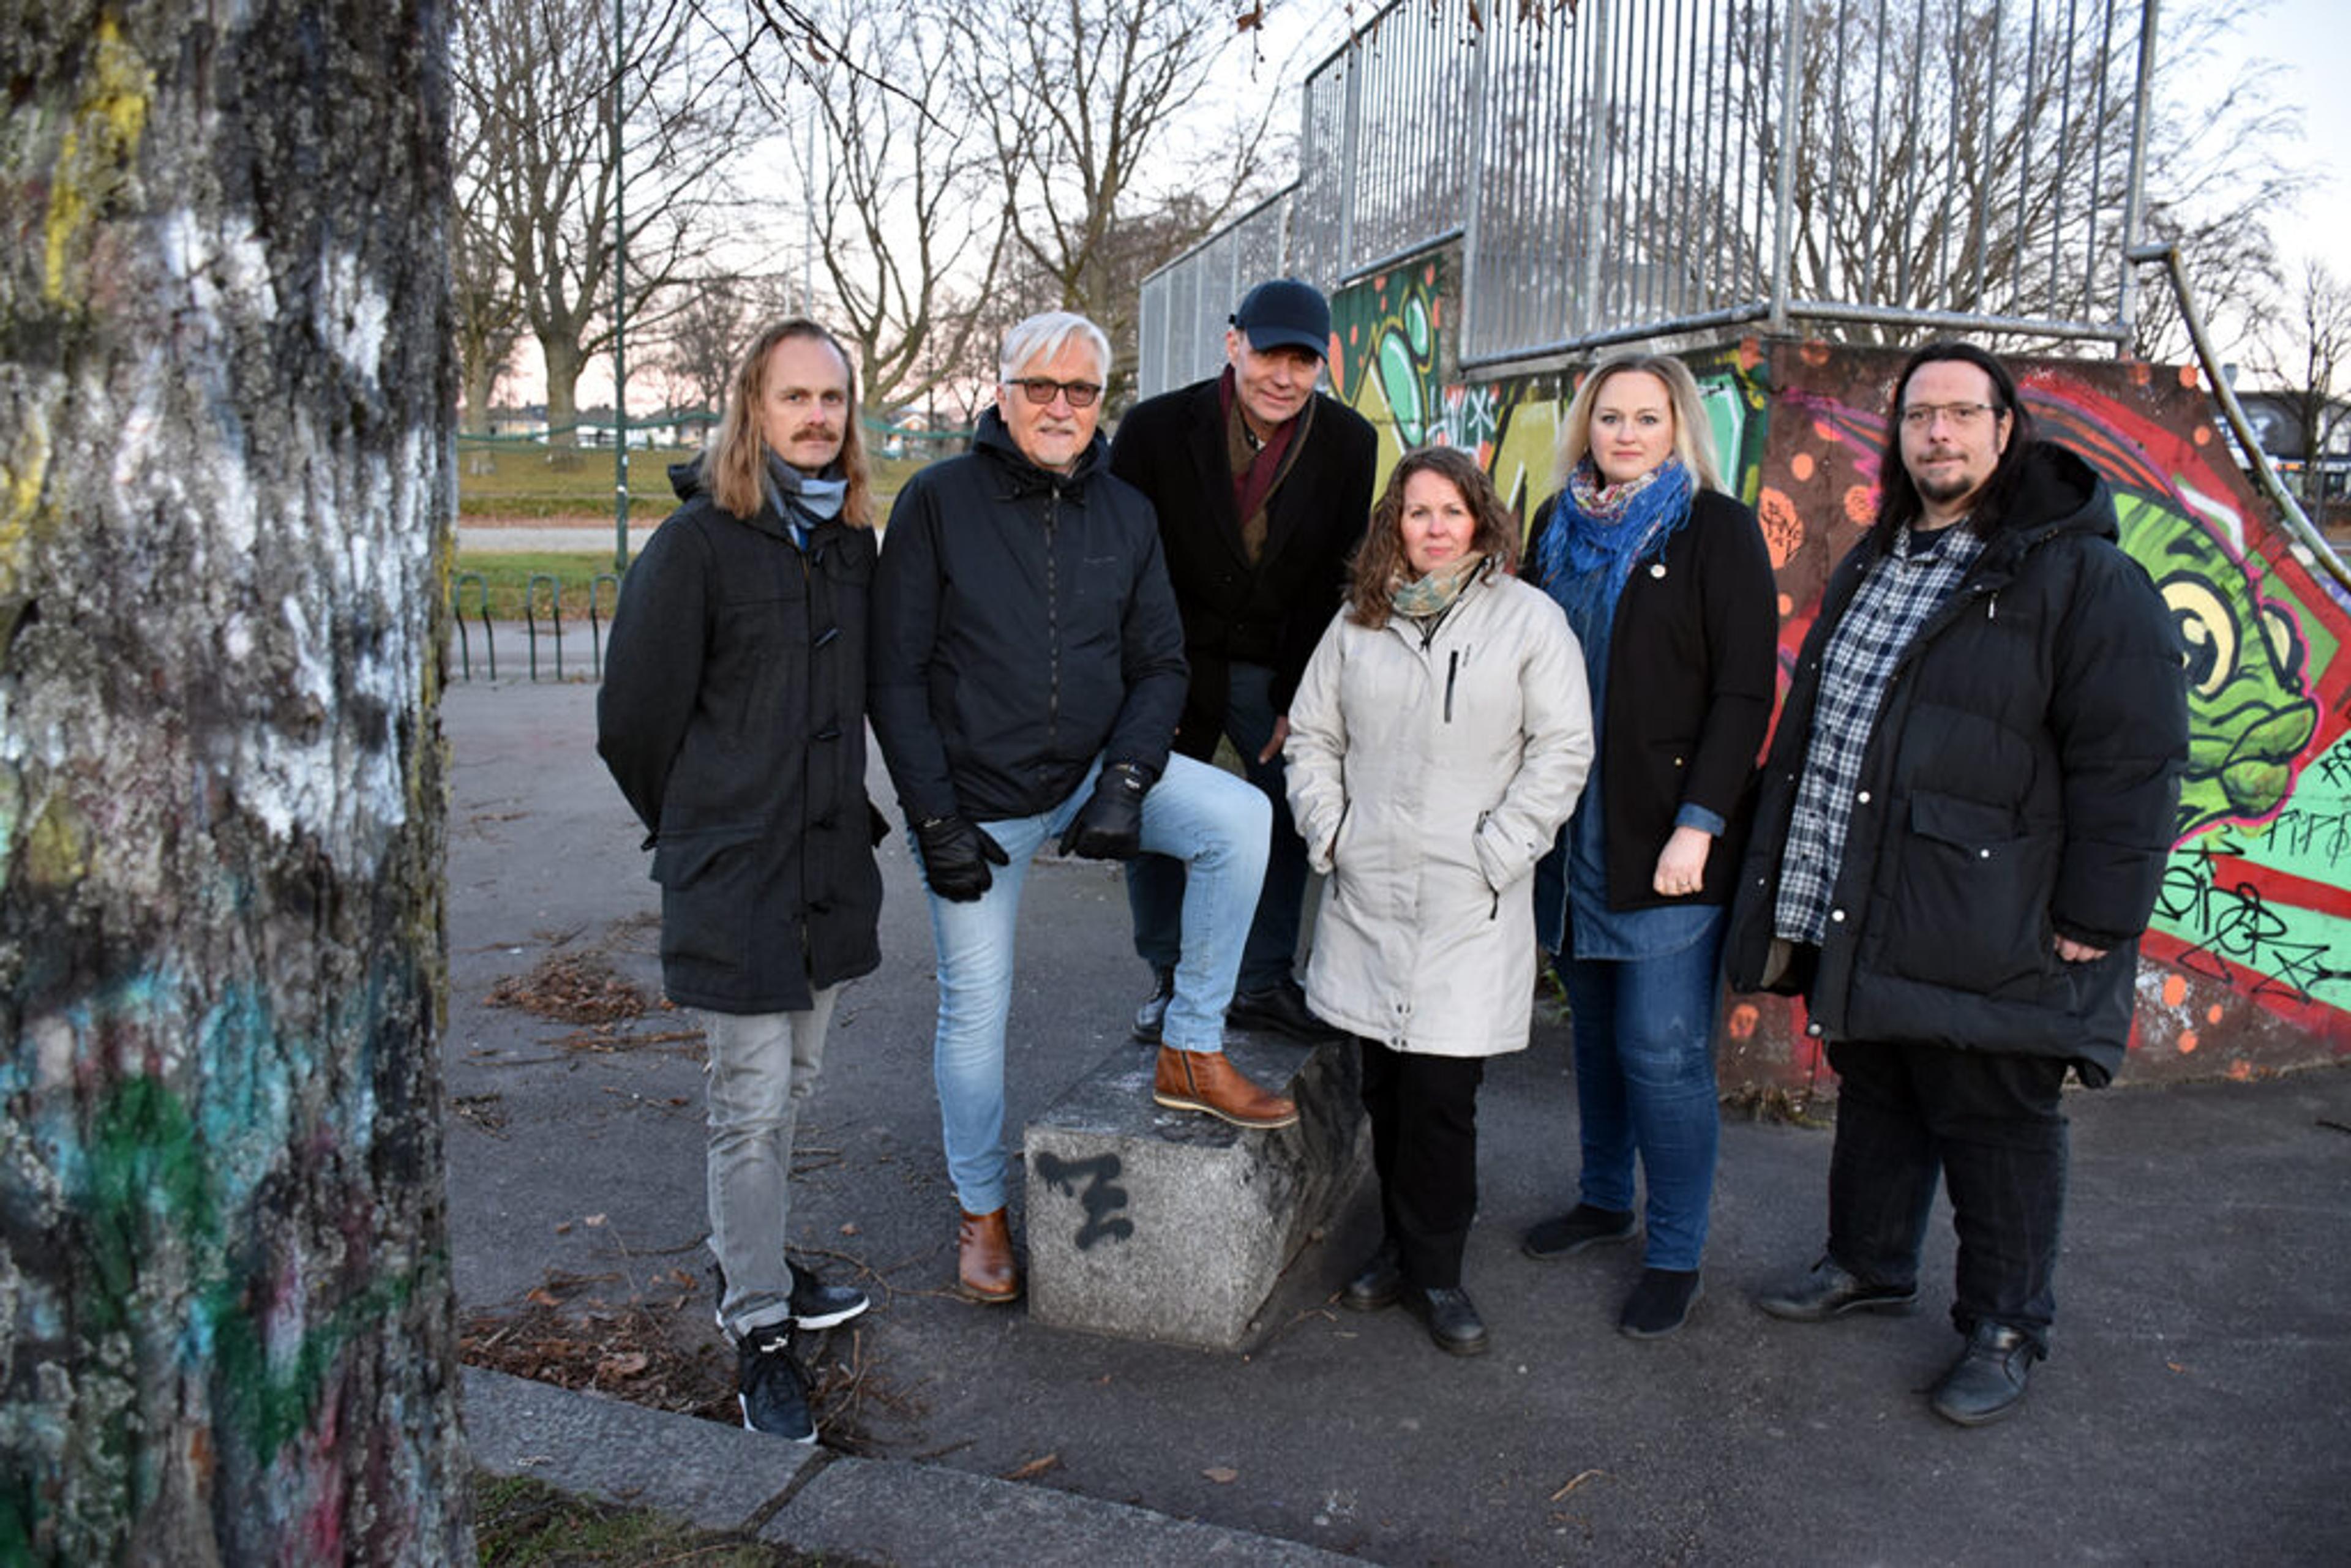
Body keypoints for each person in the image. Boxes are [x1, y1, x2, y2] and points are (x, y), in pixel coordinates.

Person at [1728, 341, 2187, 1425]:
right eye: (1919, 415)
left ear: (2005, 427)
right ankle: (1869, 1261)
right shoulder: (1880, 556)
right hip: (1873, 887)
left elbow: (2134, 758)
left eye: (1961, 413)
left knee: (1997, 1113)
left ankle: (2007, 1325)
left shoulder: (2080, 576)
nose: (1938, 432)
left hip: (1994, 906)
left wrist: (2099, 913)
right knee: (1880, 1079)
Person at [869, 310, 1298, 1308]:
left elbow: (1160, 661)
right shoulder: (938, 501)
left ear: (1102, 400)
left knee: (1240, 820)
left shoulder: (1125, 511)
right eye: (1041, 386)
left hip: (1094, 770)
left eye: (1082, 390)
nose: (1061, 406)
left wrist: (1129, 779)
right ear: (1002, 391)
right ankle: (981, 1208)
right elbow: (895, 676)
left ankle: (1191, 1045)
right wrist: (934, 821)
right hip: (976, 804)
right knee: (977, 1006)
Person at [596, 318, 882, 1444]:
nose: (816, 417)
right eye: (793, 397)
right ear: (751, 408)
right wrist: (703, 828)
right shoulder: (697, 545)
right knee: (750, 1106)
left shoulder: (849, 541)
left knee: (792, 1089)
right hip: (736, 879)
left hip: (827, 872)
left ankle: (749, 1252)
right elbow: (632, 723)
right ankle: (760, 1323)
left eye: (831, 398)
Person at [1285, 446, 1593, 1357]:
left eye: (1451, 511)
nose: (1435, 528)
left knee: (1443, 1098)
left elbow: (1562, 749)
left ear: (1481, 520)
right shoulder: (1358, 620)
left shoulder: (1529, 621)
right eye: (1417, 512)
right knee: (1384, 1087)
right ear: (1395, 523)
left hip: (1468, 902)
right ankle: (1394, 1245)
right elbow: (1312, 735)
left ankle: (1439, 1270)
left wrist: (1501, 849)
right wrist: (1331, 831)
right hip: (1370, 893)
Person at [1517, 354, 1779, 1338]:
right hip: (1571, 829)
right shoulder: (1555, 526)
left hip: (1670, 836)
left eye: (1647, 417)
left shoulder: (1716, 528)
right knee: (1591, 1031)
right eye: (1610, 416)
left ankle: (1674, 1252)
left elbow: (1744, 691)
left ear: (1680, 429)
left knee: (1661, 1049)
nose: (1625, 434)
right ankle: (1602, 1200)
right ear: (1586, 426)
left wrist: (1699, 823)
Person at [1109, 278, 1379, 1046]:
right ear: (1234, 345)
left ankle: (1261, 979)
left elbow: (1335, 575)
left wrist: (1300, 696)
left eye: (1303, 361)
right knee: (1150, 802)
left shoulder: (1350, 442)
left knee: (1291, 802)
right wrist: (1141, 683)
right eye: (1268, 355)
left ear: (1322, 364)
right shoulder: (1155, 428)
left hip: (1275, 657)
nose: (1284, 377)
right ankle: (1169, 975)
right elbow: (1123, 561)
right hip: (1169, 655)